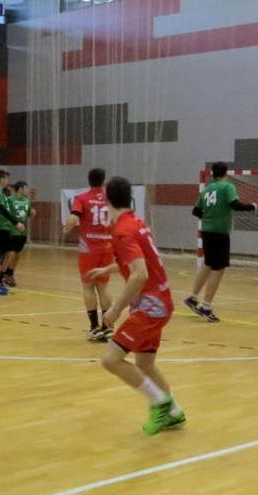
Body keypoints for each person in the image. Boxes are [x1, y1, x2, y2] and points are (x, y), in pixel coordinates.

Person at [86, 176, 185, 435]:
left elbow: (139, 274)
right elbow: (141, 262)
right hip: (161, 302)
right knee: (145, 363)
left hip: (150, 307)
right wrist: (106, 268)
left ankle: (160, 402)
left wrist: (116, 308)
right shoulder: (136, 223)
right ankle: (174, 412)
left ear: (107, 198)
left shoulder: (122, 231)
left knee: (110, 359)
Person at [185, 162, 256, 323]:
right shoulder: (227, 186)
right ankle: (206, 306)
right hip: (219, 233)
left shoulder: (208, 189)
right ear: (226, 173)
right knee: (218, 268)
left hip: (207, 231)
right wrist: (252, 206)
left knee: (208, 264)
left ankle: (193, 297)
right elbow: (234, 205)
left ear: (212, 174)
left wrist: (210, 217)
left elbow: (196, 211)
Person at [64, 168, 115, 341]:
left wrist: (66, 229)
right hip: (108, 246)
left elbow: (73, 219)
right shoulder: (111, 200)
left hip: (88, 248)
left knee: (88, 286)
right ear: (103, 181)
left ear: (89, 180)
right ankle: (108, 328)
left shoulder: (82, 198)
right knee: (103, 287)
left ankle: (94, 328)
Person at [0, 170, 24, 295]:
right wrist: (16, 222)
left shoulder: (1, 192)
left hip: (4, 227)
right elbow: (2, 209)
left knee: (9, 253)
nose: (7, 182)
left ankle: (0, 279)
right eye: (6, 179)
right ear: (1, 179)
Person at [2, 181, 35, 287]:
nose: (27, 190)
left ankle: (10, 274)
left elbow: (28, 213)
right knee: (9, 254)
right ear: (20, 189)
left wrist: (32, 213)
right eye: (26, 188)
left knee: (17, 254)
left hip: (22, 232)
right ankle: (1, 274)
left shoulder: (27, 200)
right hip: (11, 230)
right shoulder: (10, 200)